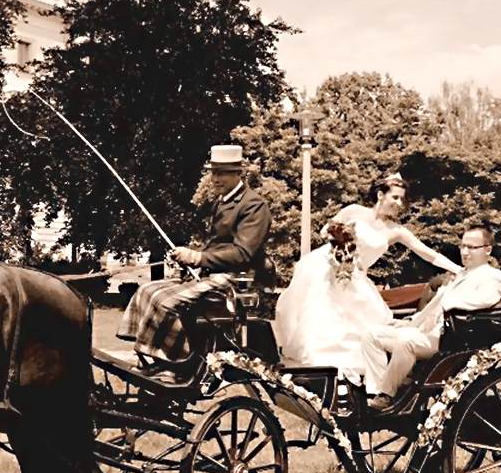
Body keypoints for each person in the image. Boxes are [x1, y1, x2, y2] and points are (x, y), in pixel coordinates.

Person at [272, 173, 462, 386]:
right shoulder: (354, 211)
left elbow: (428, 254)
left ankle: (363, 377)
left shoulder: (396, 231)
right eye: (395, 198)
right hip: (327, 267)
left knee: (362, 324)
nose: (399, 204)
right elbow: (327, 230)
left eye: (402, 199)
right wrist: (339, 240)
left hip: (355, 277)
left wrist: (459, 269)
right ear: (381, 195)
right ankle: (317, 367)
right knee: (320, 315)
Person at [116, 144, 271, 378]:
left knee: (167, 301)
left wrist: (198, 257)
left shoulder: (253, 205)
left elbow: (243, 253)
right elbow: (216, 245)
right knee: (147, 290)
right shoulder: (222, 202)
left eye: (222, 173)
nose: (215, 178)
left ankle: (177, 365)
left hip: (235, 280)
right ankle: (151, 357)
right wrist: (187, 256)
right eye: (213, 172)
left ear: (239, 173)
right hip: (213, 274)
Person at [361, 225, 501, 408]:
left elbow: (486, 299)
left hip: (450, 338)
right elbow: (433, 307)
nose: (465, 252)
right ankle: (377, 391)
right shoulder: (461, 274)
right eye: (463, 246)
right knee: (372, 335)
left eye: (472, 247)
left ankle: (388, 395)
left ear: (488, 250)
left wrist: (450, 303)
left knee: (405, 341)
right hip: (429, 332)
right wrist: (411, 323)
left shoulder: (492, 276)